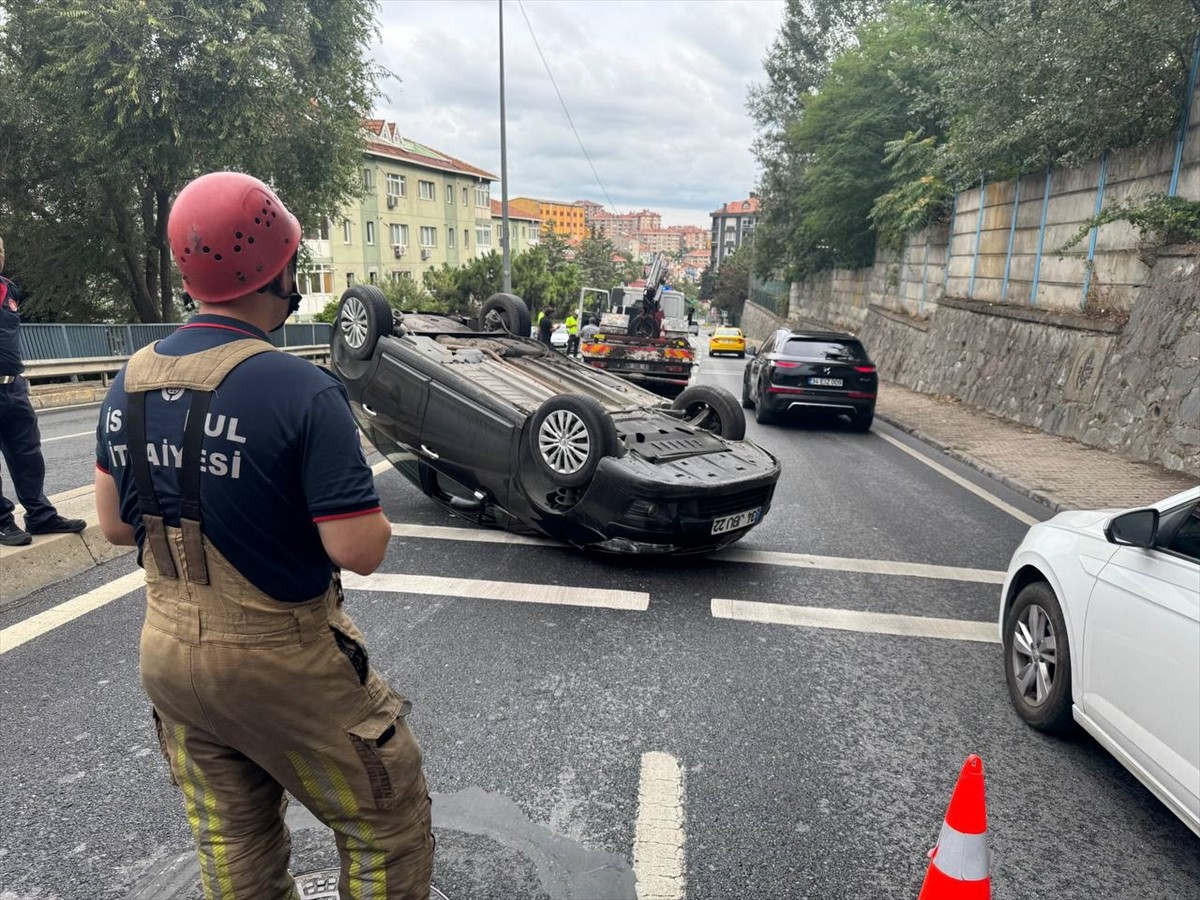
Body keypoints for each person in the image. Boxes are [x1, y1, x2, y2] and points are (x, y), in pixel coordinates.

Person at [93, 172, 433, 899]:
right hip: (282, 660)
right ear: (278, 270)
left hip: (169, 654)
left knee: (231, 835)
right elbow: (359, 551)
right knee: (387, 820)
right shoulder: (299, 389)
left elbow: (117, 527)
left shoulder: (128, 381)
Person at [0, 236, 87, 547]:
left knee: (28, 455)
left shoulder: (9, 289)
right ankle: (1, 521)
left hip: (13, 387)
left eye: (0, 249)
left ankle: (39, 515)